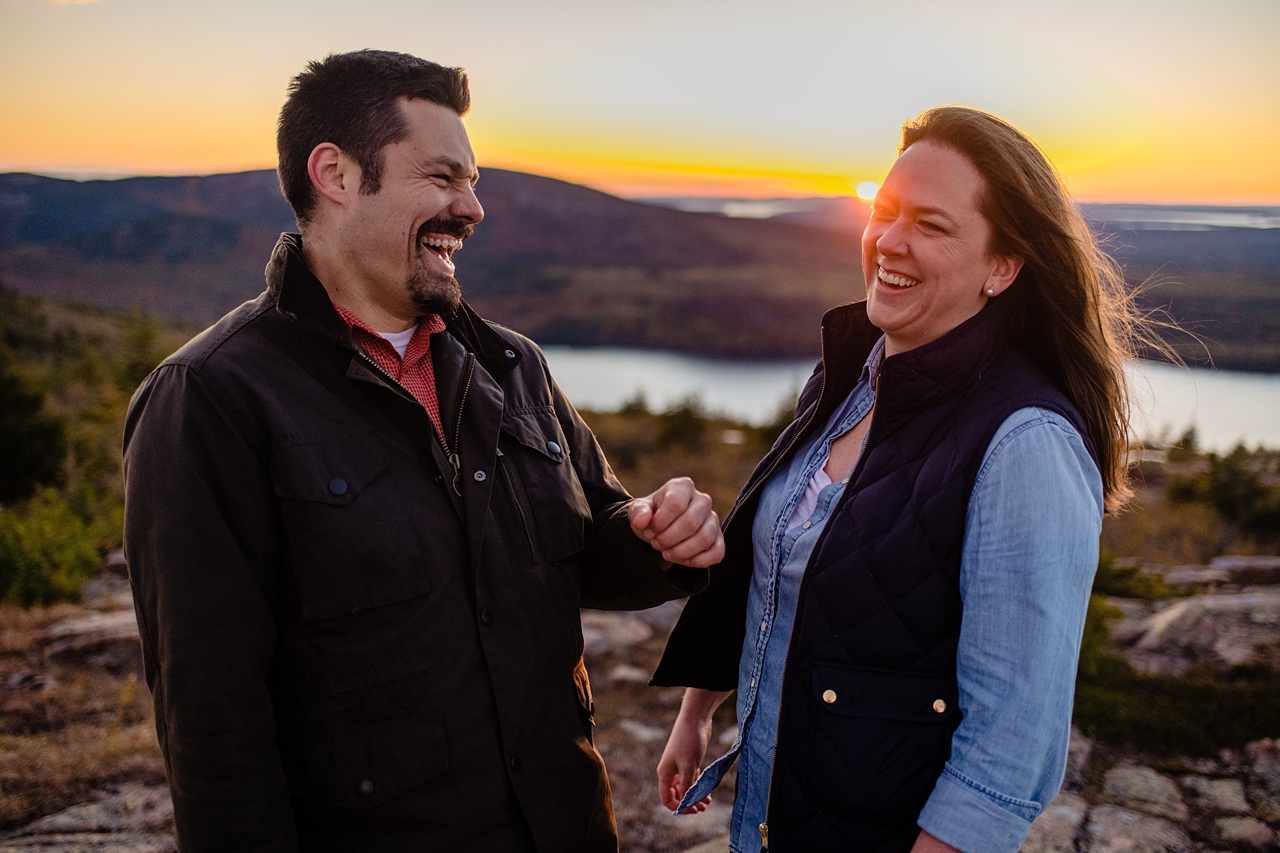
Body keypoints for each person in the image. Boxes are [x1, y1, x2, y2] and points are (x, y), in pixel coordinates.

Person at [122, 50, 724, 853]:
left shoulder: (514, 364)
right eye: (443, 178)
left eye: (472, 182)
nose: (471, 208)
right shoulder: (211, 398)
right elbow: (212, 723)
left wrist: (657, 536)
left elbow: (588, 543)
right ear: (334, 174)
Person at [652, 106, 1141, 853]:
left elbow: (1012, 749)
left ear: (1002, 266)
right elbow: (784, 571)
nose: (889, 241)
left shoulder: (1025, 444)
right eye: (883, 213)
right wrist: (698, 710)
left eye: (933, 226)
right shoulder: (852, 374)